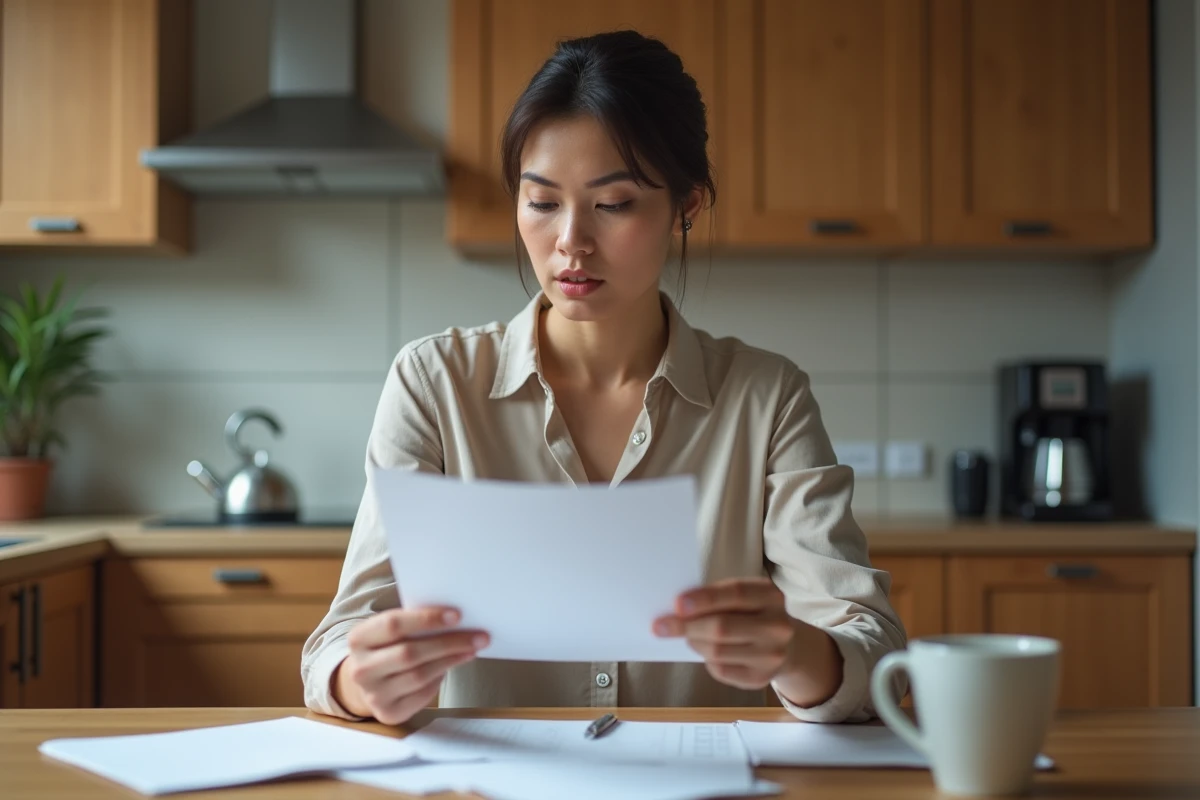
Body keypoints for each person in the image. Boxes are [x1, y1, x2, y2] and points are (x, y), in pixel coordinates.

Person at [301, 29, 905, 727]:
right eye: (541, 201)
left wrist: (795, 653)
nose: (570, 242)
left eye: (613, 204)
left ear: (688, 207)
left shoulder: (766, 398)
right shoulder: (433, 384)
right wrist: (360, 680)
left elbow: (874, 653)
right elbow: (338, 640)